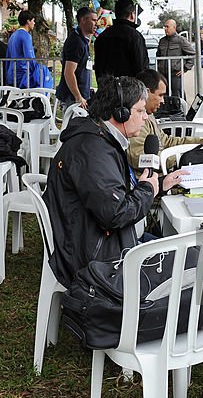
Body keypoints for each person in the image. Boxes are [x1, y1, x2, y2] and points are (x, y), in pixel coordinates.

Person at [44, 76, 187, 286]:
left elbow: (113, 194)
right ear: (121, 113)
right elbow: (116, 214)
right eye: (140, 111)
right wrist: (147, 190)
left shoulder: (99, 140)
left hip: (105, 243)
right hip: (101, 261)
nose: (146, 117)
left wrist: (159, 185)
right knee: (192, 263)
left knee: (186, 253)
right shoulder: (93, 151)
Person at [126, 69, 203, 169]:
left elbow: (166, 141)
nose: (163, 101)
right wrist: (183, 157)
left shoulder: (149, 115)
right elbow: (140, 158)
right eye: (160, 95)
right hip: (150, 179)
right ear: (146, 93)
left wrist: (201, 142)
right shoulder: (136, 121)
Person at [93, 0, 146, 81]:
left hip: (107, 88)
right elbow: (141, 67)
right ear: (132, 14)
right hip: (130, 89)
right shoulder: (135, 36)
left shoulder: (102, 37)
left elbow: (98, 67)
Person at [56, 7, 96, 110]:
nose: (97, 24)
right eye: (94, 20)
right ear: (83, 20)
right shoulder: (76, 42)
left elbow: (86, 42)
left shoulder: (81, 39)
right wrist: (78, 97)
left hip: (79, 96)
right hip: (73, 98)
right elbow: (69, 72)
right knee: (72, 125)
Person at [155, 18, 195, 98]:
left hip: (175, 74)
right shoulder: (162, 41)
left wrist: (185, 68)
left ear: (174, 27)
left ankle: (181, 110)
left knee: (177, 96)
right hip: (163, 74)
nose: (165, 29)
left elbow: (193, 54)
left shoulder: (181, 40)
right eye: (164, 27)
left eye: (167, 27)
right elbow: (158, 55)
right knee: (164, 96)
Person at [5, 10, 42, 89]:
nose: (34, 23)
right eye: (33, 21)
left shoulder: (13, 35)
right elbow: (29, 57)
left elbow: (7, 56)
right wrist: (36, 71)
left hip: (11, 74)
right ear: (28, 21)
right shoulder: (26, 36)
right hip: (22, 75)